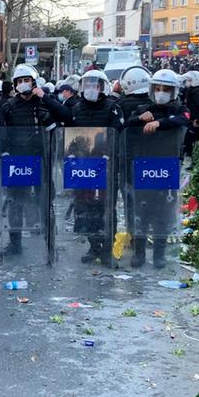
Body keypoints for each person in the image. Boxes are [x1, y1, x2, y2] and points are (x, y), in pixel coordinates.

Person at [1, 64, 69, 257]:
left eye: (27, 81)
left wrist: (44, 97)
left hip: (41, 160)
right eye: (20, 81)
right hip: (18, 163)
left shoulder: (44, 102)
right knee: (15, 203)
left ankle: (50, 243)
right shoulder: (9, 106)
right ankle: (15, 243)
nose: (24, 84)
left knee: (46, 202)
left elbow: (66, 116)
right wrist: (5, 153)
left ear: (34, 82)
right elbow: (2, 133)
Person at [124, 69, 189, 268]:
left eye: (166, 89)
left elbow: (183, 120)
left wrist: (159, 123)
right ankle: (139, 253)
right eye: (157, 88)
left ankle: (159, 254)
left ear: (174, 91)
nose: (161, 92)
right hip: (144, 166)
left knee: (164, 213)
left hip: (166, 167)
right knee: (142, 212)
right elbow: (125, 126)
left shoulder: (178, 109)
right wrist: (140, 118)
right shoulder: (143, 108)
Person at [67, 70, 125, 264]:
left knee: (106, 207)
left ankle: (108, 247)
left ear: (102, 87)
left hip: (106, 165)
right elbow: (70, 135)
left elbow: (118, 134)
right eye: (88, 84)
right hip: (83, 167)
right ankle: (94, 246)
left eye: (95, 84)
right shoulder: (76, 108)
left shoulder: (112, 107)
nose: (91, 88)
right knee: (85, 206)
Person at [179, 70, 199, 159]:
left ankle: (193, 158)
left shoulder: (198, 92)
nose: (187, 82)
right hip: (191, 120)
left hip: (195, 122)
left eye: (189, 80)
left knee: (192, 140)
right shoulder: (191, 91)